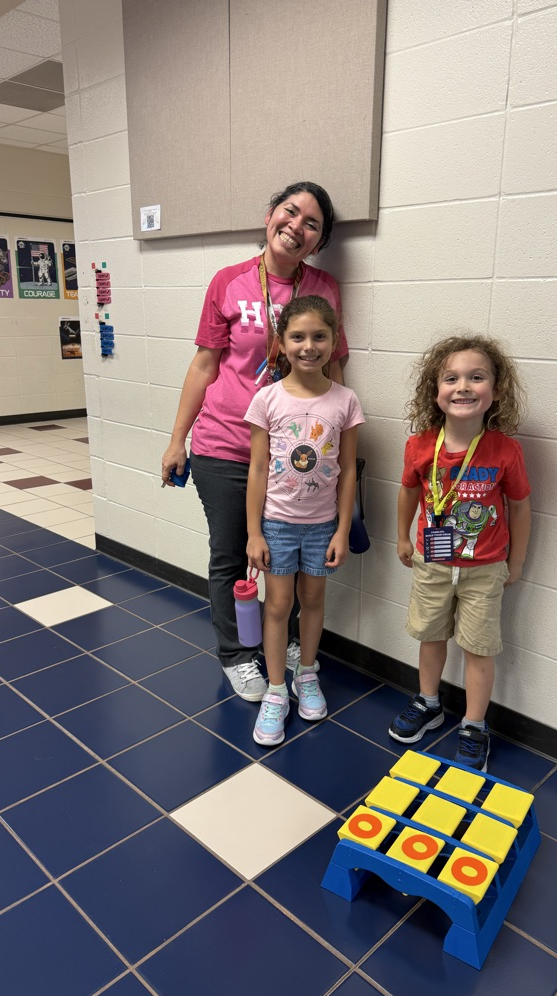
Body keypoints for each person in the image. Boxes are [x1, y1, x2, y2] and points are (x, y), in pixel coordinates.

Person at [161, 182, 349, 701]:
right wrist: (177, 440)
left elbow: (333, 365)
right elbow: (204, 365)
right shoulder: (229, 281)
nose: (297, 226)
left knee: (292, 555)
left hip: (295, 454)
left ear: (318, 242)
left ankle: (285, 646)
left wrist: (334, 439)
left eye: (312, 224)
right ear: (270, 215)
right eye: (290, 212)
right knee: (231, 555)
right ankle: (236, 655)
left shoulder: (324, 288)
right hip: (225, 446)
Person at [389, 332, 531, 771]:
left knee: (478, 647)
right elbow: (408, 493)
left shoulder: (505, 450)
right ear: (435, 391)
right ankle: (429, 703)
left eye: (476, 377)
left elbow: (520, 506)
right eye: (451, 378)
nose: (463, 386)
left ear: (496, 390)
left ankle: (473, 725)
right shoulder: (420, 445)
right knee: (431, 636)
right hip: (432, 562)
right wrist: (402, 537)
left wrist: (515, 561)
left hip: (484, 568)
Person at [245, 296, 364, 744]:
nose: (308, 346)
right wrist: (254, 533)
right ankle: (277, 691)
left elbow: (348, 470)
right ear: (281, 343)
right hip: (276, 524)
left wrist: (341, 530)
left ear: (334, 342)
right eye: (297, 337)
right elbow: (258, 468)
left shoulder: (345, 401)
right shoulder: (267, 399)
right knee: (277, 606)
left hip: (322, 526)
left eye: (319, 336)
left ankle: (307, 673)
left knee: (313, 601)